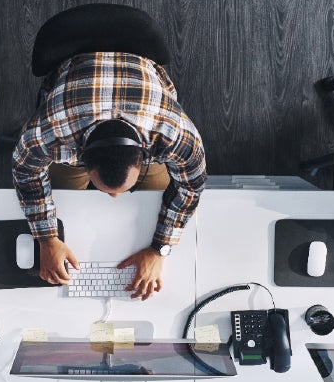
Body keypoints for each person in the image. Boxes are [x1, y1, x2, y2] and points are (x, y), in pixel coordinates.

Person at [12, 52, 206, 301]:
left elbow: (191, 188)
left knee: (156, 199)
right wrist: (47, 239)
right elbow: (26, 172)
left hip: (145, 87)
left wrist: (159, 250)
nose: (114, 196)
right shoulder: (50, 132)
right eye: (104, 188)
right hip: (73, 89)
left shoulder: (175, 134)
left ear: (144, 157)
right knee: (65, 201)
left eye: (122, 188)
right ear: (80, 159)